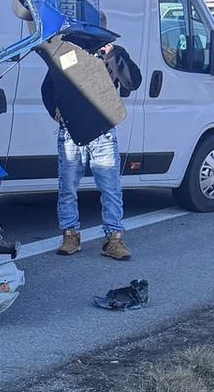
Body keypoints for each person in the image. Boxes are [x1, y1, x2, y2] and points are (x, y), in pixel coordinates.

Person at [42, 25, 142, 260]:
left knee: (110, 188)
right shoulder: (67, 53)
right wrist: (56, 111)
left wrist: (112, 54)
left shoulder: (113, 53)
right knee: (68, 187)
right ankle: (70, 235)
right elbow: (48, 86)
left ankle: (113, 239)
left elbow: (132, 82)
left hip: (103, 130)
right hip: (71, 130)